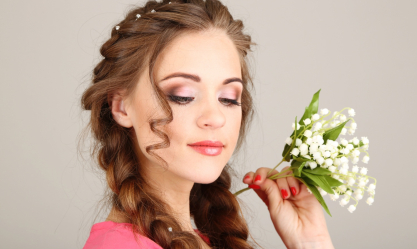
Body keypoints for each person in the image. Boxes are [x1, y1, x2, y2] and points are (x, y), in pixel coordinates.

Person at [80, 0, 334, 248]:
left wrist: (311, 242)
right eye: (183, 95)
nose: (215, 117)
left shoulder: (204, 241)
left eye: (228, 98)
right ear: (122, 107)